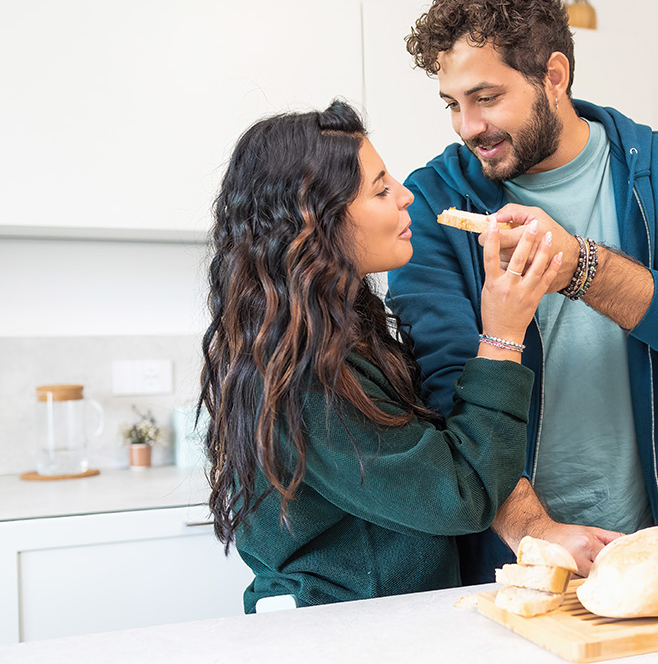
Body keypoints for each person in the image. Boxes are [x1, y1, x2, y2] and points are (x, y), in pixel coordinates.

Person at [386, 0, 658, 583]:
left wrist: (582, 268)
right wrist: (534, 531)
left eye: (487, 98)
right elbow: (443, 393)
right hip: (514, 556)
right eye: (452, 104)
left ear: (554, 76)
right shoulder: (432, 199)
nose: (467, 127)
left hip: (655, 541)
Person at [199, 99, 563, 612]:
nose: (405, 194)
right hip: (340, 633)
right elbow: (464, 494)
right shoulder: (306, 377)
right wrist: (503, 334)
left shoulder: (335, 332)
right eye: (380, 189)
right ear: (316, 220)